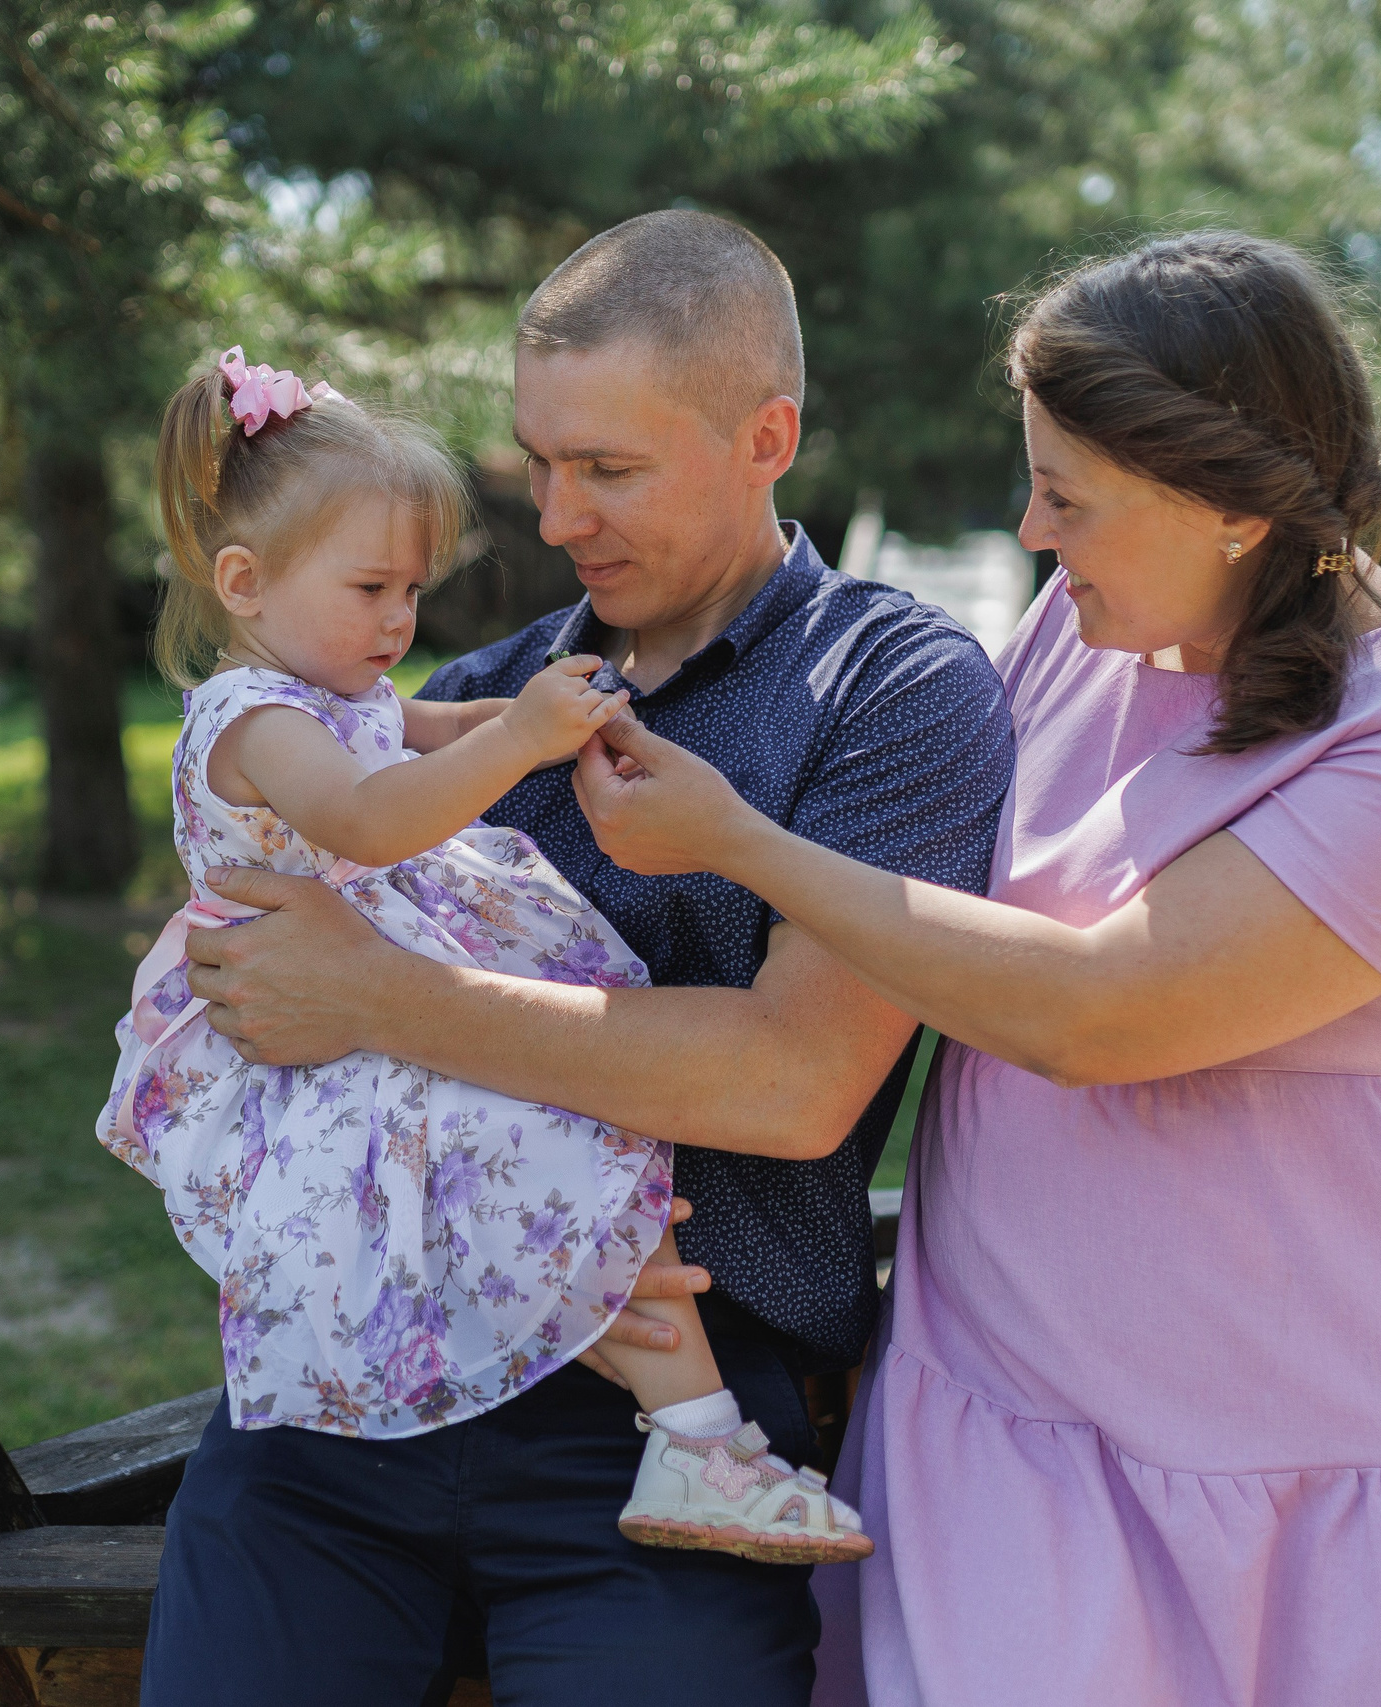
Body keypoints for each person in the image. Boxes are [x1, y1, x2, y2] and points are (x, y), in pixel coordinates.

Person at [569, 231, 1381, 1705]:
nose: (1031, 530)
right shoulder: (1096, 629)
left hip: (1334, 1433)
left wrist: (746, 839)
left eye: (1067, 496)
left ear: (1225, 504)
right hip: (1018, 1395)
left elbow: (1098, 1010)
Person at [146, 211, 1017, 1705]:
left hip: (671, 1425)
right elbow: (259, 974)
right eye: (541, 462)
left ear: (767, 436)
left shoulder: (887, 687)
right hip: (345, 1392)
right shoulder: (497, 695)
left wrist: (383, 996)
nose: (555, 517)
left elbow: (789, 1079)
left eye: (607, 468)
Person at [97, 346, 872, 1563]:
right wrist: (518, 739)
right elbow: (371, 817)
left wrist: (555, 711)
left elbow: (430, 722)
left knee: (583, 1155)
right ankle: (696, 1437)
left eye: (412, 589)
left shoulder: (336, 685)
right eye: (371, 590)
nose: (401, 622)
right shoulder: (250, 719)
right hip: (337, 1033)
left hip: (386, 980)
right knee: (549, 1158)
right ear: (243, 582)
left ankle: (692, 1441)